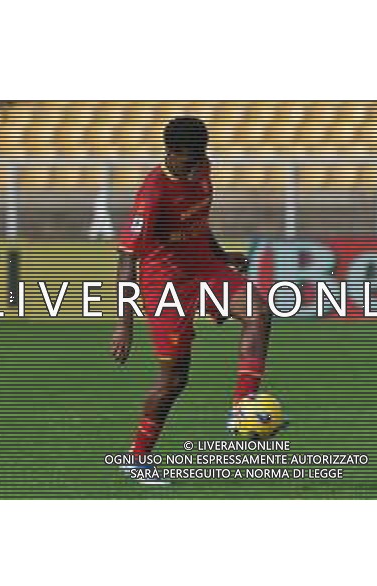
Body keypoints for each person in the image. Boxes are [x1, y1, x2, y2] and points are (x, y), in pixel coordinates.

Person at [110, 116, 272, 471]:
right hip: (165, 282)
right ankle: (137, 459)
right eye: (188, 158)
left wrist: (220, 255)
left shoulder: (202, 167)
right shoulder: (153, 192)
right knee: (174, 380)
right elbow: (126, 259)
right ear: (169, 152)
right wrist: (124, 325)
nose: (196, 164)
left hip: (205, 267)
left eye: (201, 156)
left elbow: (198, 221)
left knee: (259, 312)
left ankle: (243, 407)